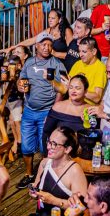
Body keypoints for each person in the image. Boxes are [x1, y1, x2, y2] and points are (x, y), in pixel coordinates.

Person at [17, 33, 67, 188]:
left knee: (45, 146)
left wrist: (54, 109)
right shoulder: (29, 63)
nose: (47, 48)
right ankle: (29, 174)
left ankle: (46, 176)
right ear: (36, 46)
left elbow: (64, 88)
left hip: (47, 111)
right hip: (29, 110)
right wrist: (20, 85)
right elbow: (22, 79)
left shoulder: (57, 64)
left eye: (49, 45)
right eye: (43, 44)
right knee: (26, 145)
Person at [29, 126, 88, 214]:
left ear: (67, 149)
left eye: (54, 144)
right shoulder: (45, 163)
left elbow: (80, 207)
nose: (48, 147)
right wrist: (34, 192)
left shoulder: (74, 171)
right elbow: (37, 187)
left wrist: (54, 201)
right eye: (49, 142)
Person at [43, 75, 90, 151]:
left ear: (85, 91)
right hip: (59, 153)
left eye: (77, 88)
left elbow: (94, 136)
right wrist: (47, 154)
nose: (73, 91)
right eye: (71, 87)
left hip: (82, 153)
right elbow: (47, 132)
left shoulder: (90, 110)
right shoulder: (58, 106)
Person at [66, 37, 107, 104]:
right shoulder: (78, 63)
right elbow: (64, 89)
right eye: (79, 51)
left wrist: (78, 91)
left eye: (84, 52)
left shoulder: (100, 67)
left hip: (86, 107)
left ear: (94, 52)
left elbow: (97, 98)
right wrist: (52, 82)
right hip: (71, 104)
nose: (80, 55)